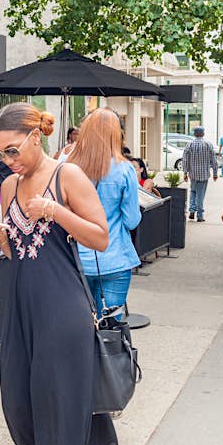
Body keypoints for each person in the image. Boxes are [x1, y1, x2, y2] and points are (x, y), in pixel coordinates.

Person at [0, 102, 116, 445]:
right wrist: (0, 236)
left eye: (12, 150)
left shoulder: (66, 175)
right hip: (21, 307)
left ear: (36, 137)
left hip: (61, 309)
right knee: (18, 404)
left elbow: (102, 238)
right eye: (0, 153)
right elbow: (15, 252)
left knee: (56, 405)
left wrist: (56, 211)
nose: (7, 160)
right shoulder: (8, 187)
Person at [69, 108, 142, 318]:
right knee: (111, 328)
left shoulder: (68, 167)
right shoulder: (124, 169)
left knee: (79, 327)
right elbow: (131, 220)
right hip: (113, 257)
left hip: (75, 259)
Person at [182, 126, 218, 222]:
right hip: (204, 174)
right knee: (200, 194)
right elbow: (214, 160)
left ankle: (192, 210)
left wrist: (185, 172)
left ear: (194, 134)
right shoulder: (208, 144)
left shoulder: (189, 145)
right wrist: (215, 173)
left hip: (193, 174)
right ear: (203, 134)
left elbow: (185, 160)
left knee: (193, 192)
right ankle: (200, 215)